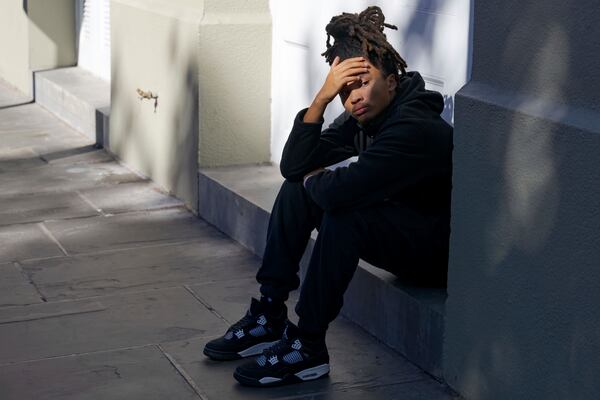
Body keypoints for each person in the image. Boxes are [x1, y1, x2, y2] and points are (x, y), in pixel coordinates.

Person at [203, 6, 453, 387]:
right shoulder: (364, 115)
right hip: (399, 233)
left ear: (392, 80)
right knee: (296, 190)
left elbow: (339, 192)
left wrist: (316, 181)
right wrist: (320, 100)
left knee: (343, 213)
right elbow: (294, 167)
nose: (354, 98)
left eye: (363, 82)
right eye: (344, 89)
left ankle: (308, 347)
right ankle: (269, 313)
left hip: (431, 257)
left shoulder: (414, 128)